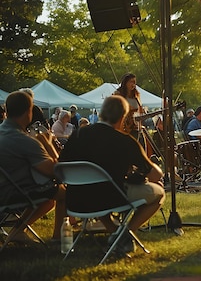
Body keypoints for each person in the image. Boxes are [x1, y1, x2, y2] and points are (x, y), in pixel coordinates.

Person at [59, 95, 165, 255]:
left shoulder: (77, 135)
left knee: (97, 186)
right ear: (123, 117)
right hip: (110, 198)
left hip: (76, 200)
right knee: (159, 194)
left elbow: (61, 165)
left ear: (101, 113)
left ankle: (114, 231)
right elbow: (156, 175)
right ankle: (124, 234)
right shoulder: (125, 141)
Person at [0, 91, 66, 244]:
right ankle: (57, 239)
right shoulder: (24, 140)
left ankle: (16, 232)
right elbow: (54, 172)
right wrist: (47, 143)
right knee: (62, 192)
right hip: (13, 194)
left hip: (5, 190)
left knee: (48, 200)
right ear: (28, 112)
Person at [113, 73, 143, 138]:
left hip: (135, 126)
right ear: (125, 83)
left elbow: (140, 110)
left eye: (134, 82)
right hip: (122, 126)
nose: (133, 84)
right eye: (131, 82)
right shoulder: (118, 94)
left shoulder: (136, 95)